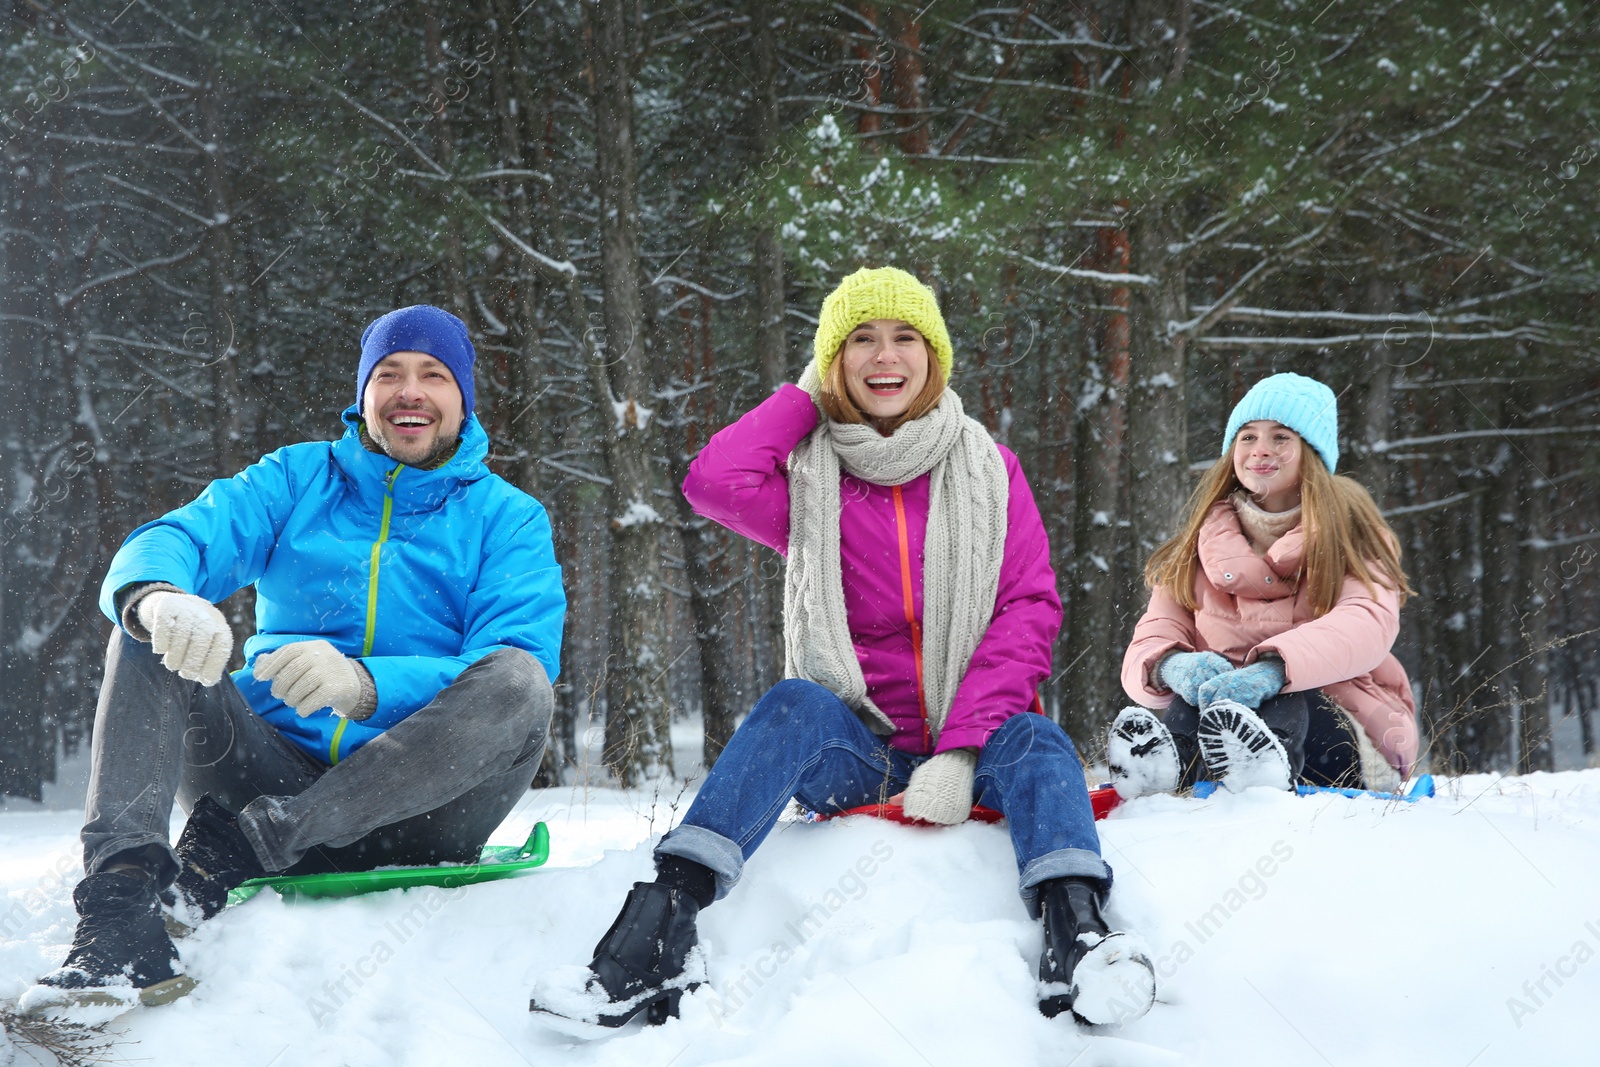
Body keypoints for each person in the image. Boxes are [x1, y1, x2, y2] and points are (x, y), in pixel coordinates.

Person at [533, 267, 1155, 1029]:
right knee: (794, 704)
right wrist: (803, 398)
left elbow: (1028, 607)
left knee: (1038, 738)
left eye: (903, 337)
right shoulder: (809, 483)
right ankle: (662, 924)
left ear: (935, 355)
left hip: (981, 746)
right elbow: (712, 481)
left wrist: (961, 752)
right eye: (859, 339)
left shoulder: (992, 470)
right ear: (833, 365)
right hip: (864, 752)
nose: (883, 355)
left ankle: (1077, 934)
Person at [25, 305, 565, 1015]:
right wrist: (157, 595)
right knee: (143, 624)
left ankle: (267, 840)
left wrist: (370, 685)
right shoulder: (297, 479)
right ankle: (120, 909)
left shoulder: (507, 516)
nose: (410, 390)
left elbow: (514, 658)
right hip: (262, 773)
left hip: (426, 802)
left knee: (522, 685)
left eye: (433, 375)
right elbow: (180, 535)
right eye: (390, 373)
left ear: (462, 399)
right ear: (363, 394)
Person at [1110, 372, 1418, 799]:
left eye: (1280, 437)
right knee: (1193, 696)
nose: (1261, 451)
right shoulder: (1199, 543)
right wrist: (1170, 665)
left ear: (1310, 452)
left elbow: (1366, 623)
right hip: (1218, 729)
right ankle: (1165, 770)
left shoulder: (1352, 534)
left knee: (1287, 692)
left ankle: (1264, 770)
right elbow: (1157, 630)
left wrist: (1274, 669)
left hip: (1331, 727)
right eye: (1247, 437)